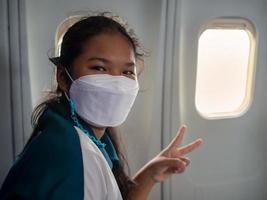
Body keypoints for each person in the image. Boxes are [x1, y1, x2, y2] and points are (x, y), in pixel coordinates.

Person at [0, 12, 203, 200]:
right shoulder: (72, 155)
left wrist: (151, 173)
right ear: (63, 77)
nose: (115, 84)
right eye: (99, 68)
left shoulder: (82, 132)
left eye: (127, 72)